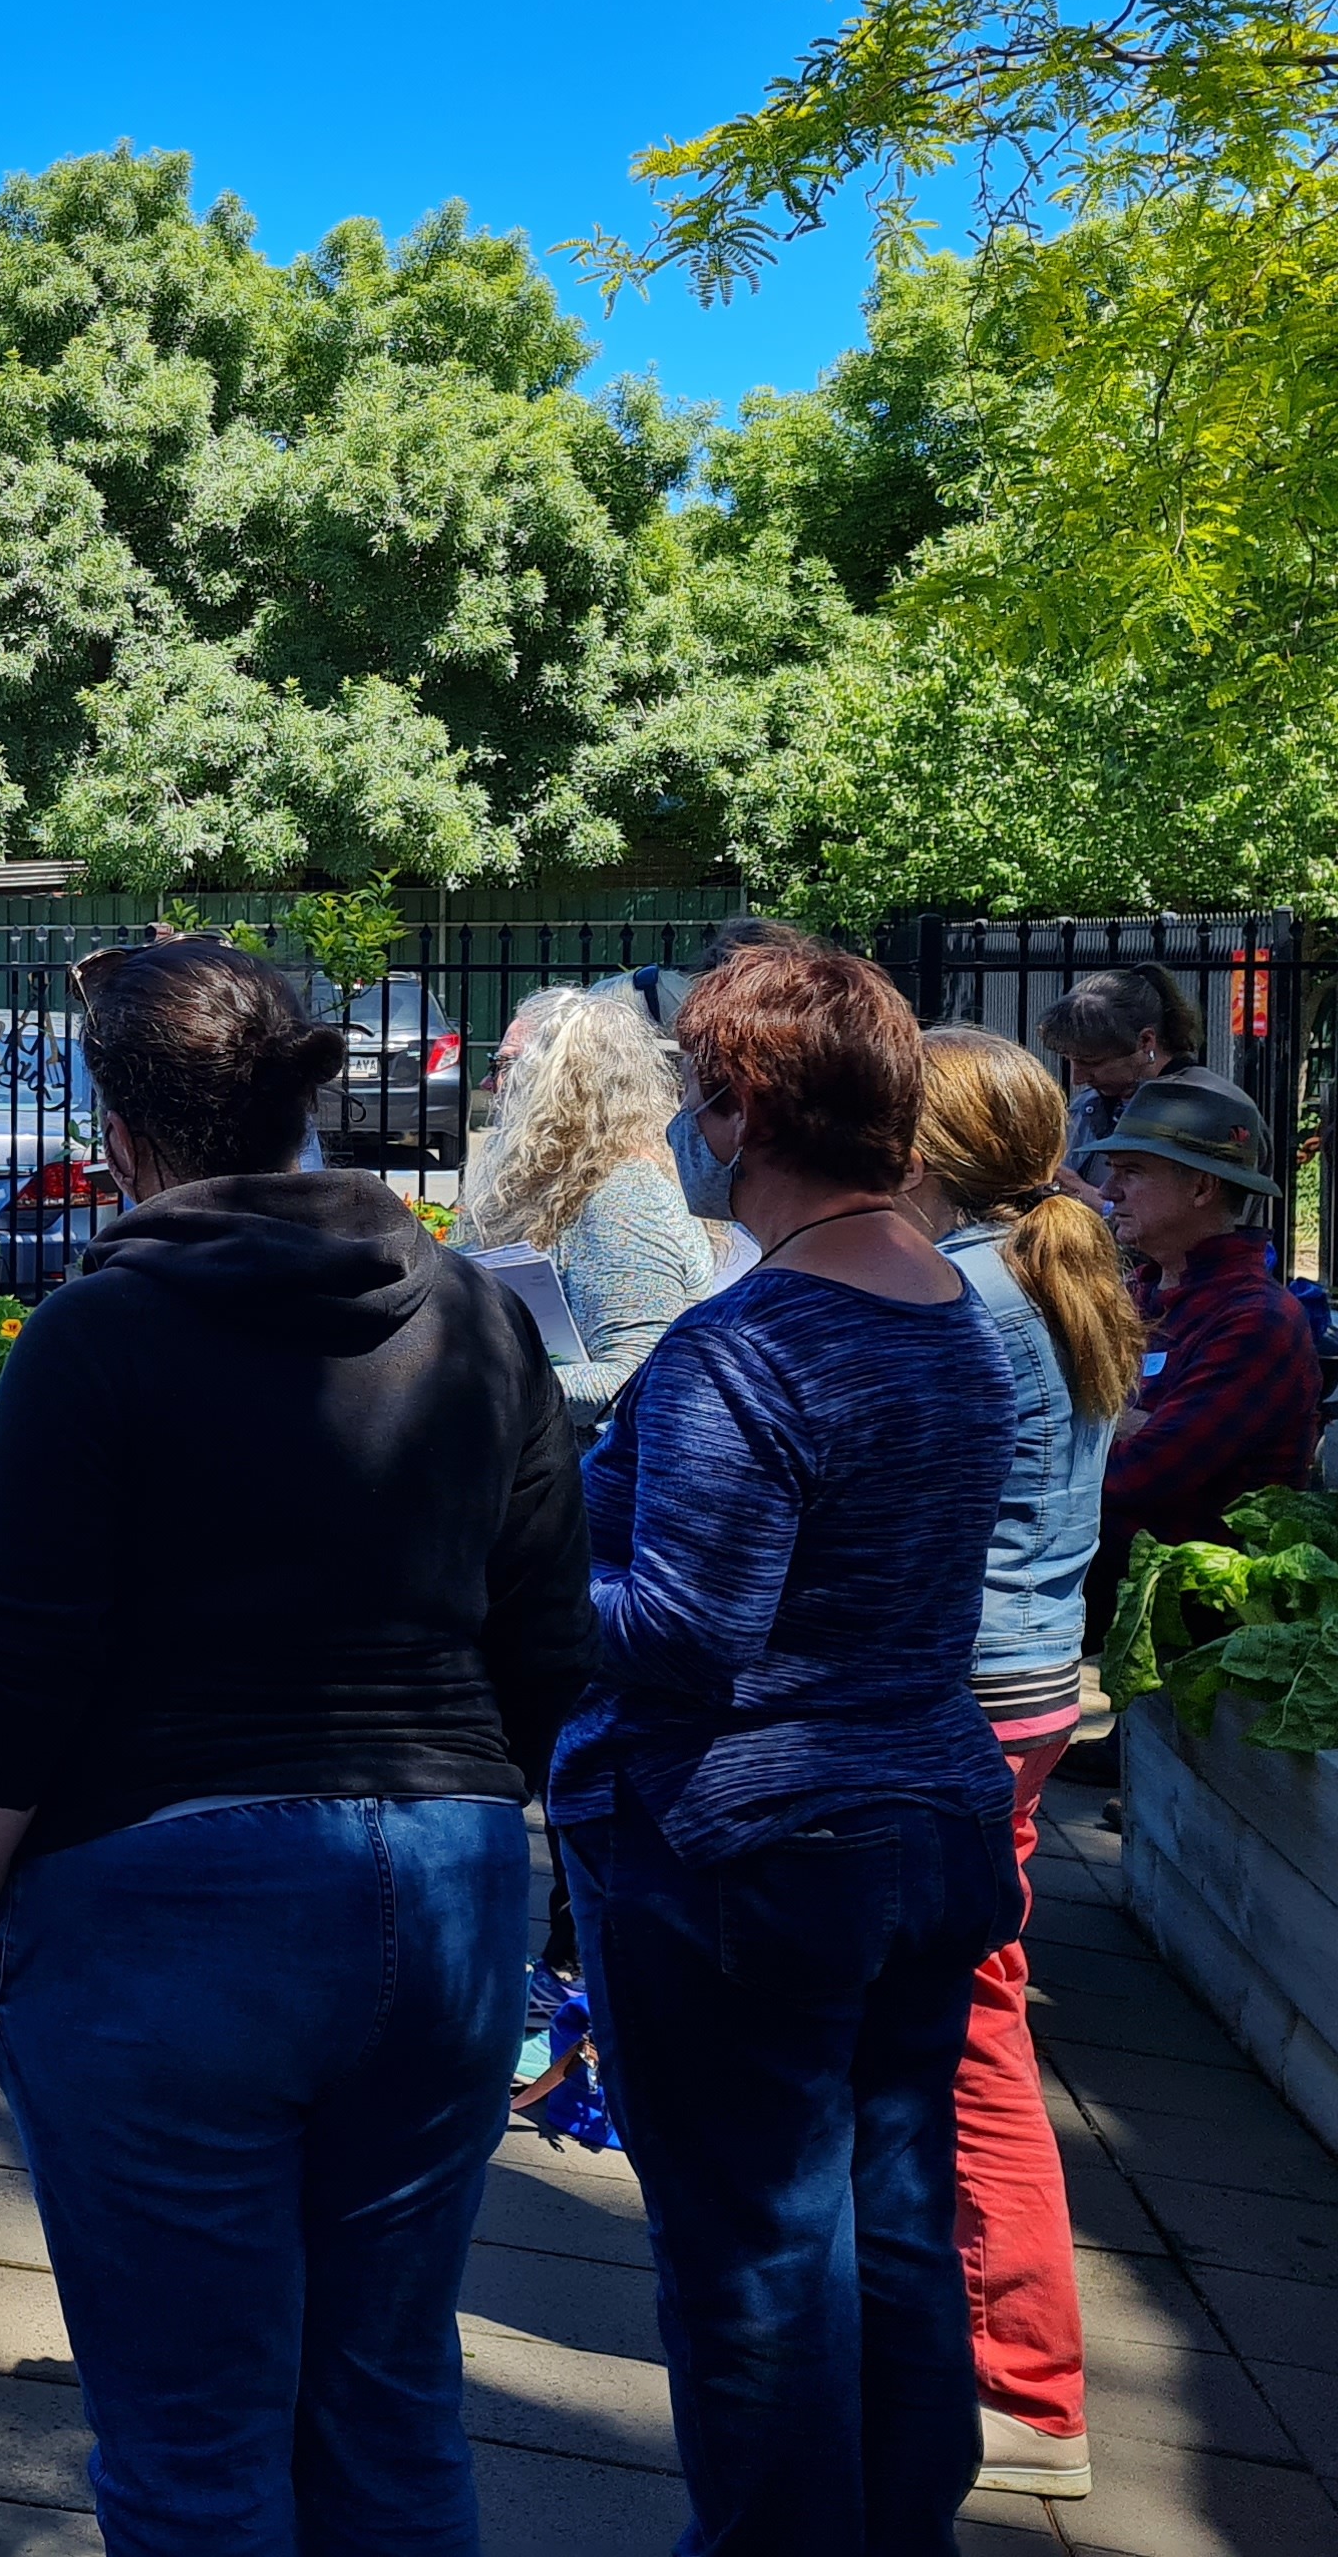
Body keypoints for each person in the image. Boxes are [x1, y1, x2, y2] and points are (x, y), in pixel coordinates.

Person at [0, 940, 595, 2552]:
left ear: (123, 1128)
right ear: (303, 1101)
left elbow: (3, 1684)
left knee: (195, 2453)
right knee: (392, 2410)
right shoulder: (482, 1325)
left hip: (166, 1917)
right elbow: (550, 1646)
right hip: (446, 1896)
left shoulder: (97, 1340)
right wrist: (450, 1813)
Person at [554, 931, 1020, 2555]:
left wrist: (531, 1555)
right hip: (921, 1834)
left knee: (753, 2270)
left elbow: (680, 1640)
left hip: (742, 1864)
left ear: (742, 1106)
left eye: (693, 1088)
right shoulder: (947, 1313)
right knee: (890, 2231)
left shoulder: (738, 1350)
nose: (683, 1120)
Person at [900, 1028, 1132, 2500]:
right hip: (1030, 1693)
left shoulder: (964, 1298)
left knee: (973, 2036)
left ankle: (1029, 2390)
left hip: (963, 1706)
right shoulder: (1054, 1272)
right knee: (958, 2019)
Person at [1091, 1075, 1317, 1606]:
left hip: (1200, 1630)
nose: (1106, 1190)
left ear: (1201, 1189)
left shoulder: (1257, 1321)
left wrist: (1096, 1416)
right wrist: (1122, 1423)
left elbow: (1137, 1477)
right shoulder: (1138, 1291)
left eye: (1132, 1172)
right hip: (1124, 1604)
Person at [453, 983, 714, 1434]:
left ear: (560, 1080)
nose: (488, 1083)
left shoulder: (625, 1195)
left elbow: (631, 1380)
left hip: (592, 1487)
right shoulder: (562, 1178)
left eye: (504, 1065)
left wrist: (464, 1386)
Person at [1037, 965, 1233, 1207]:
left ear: (1145, 1041)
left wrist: (1092, 1200)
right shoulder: (1088, 1105)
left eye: (1092, 1062)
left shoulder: (1207, 1110)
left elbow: (1208, 1219)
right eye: (1071, 1060)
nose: (1077, 1077)